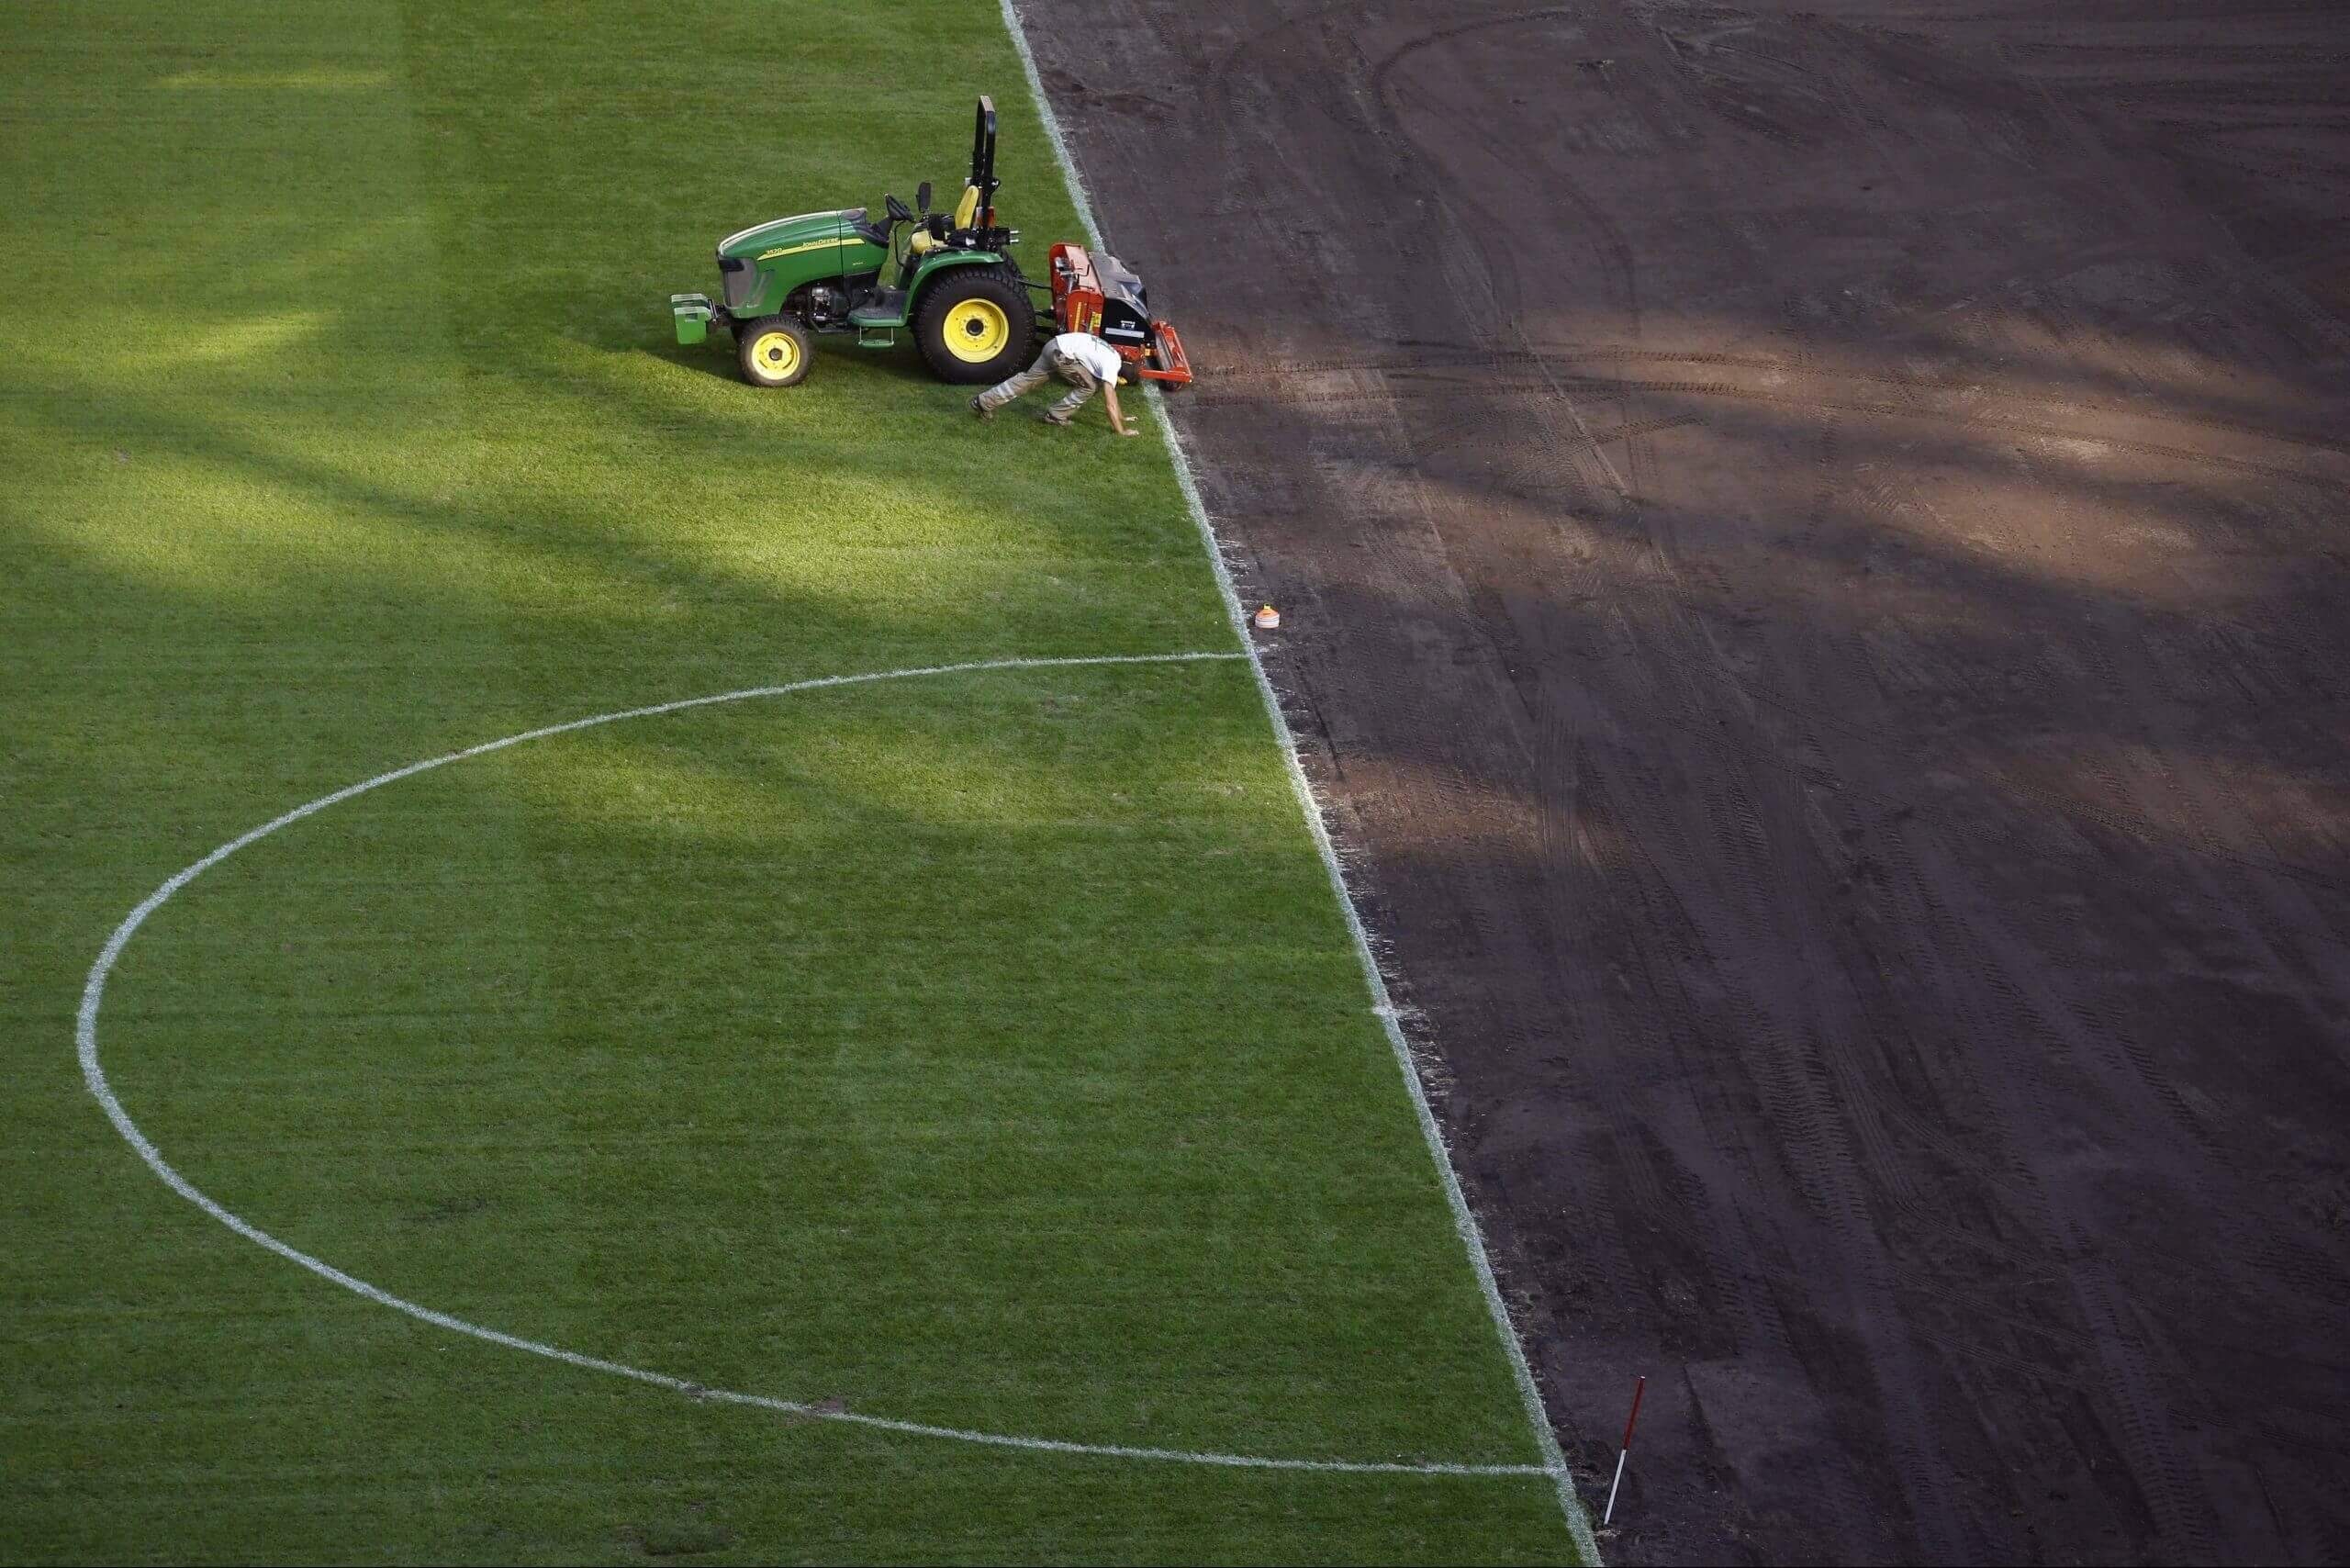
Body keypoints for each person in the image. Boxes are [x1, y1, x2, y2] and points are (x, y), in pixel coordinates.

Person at [971, 330, 1142, 434]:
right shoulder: (1111, 368)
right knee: (1090, 386)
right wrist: (1122, 431)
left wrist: (1122, 416)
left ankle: (984, 402)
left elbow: (1114, 400)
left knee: (1029, 380)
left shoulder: (1113, 355)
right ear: (1122, 379)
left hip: (1054, 345)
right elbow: (1110, 403)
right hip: (1061, 355)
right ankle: (1056, 415)